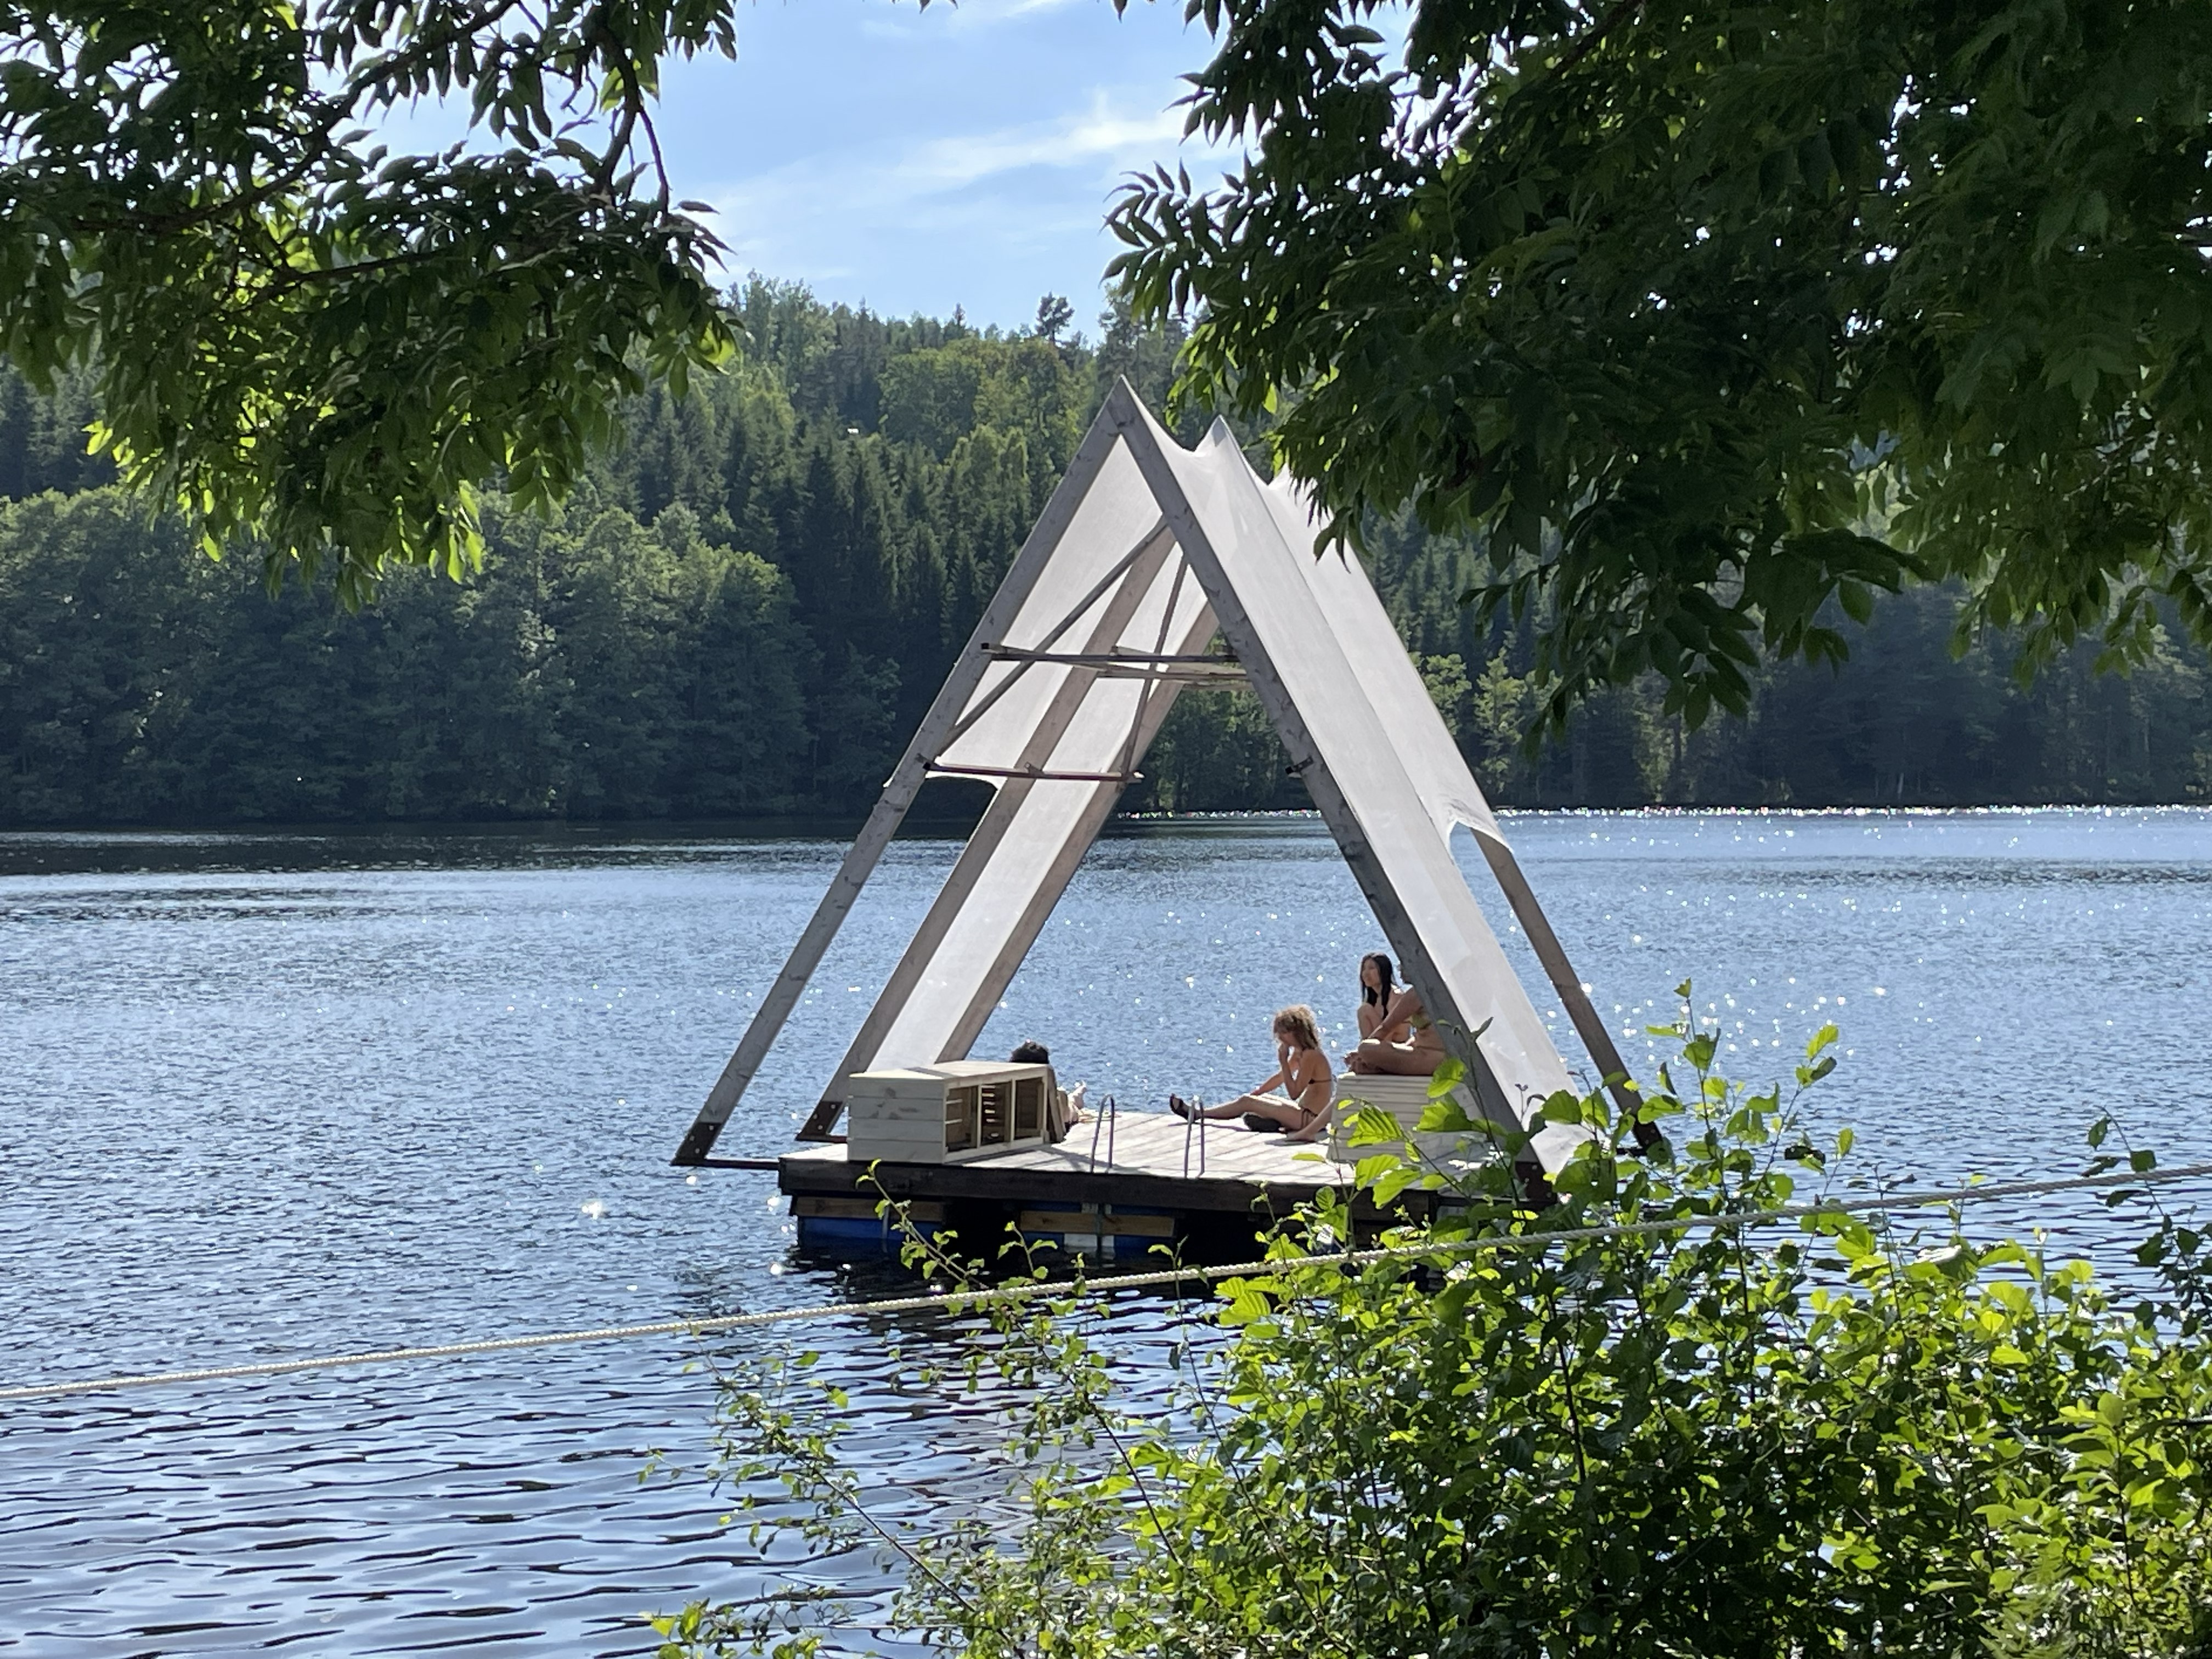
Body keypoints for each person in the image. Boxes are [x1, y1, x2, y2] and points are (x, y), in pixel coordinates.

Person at [1170, 1006, 1335, 1142]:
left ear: (1296, 1032)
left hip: (1309, 1120)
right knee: (1251, 1100)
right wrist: (1258, 1094)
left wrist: (1283, 1061)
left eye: (1283, 1033)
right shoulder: (1301, 1052)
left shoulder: (1311, 1055)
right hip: (1303, 1114)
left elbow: (1294, 1093)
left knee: (1247, 1102)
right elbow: (1279, 1078)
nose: (1280, 1038)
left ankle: (1198, 1114)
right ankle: (1271, 1121)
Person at [1343, 981, 1445, 1076]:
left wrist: (1361, 1054)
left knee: (1365, 1048)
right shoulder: (1439, 991)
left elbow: (1385, 1028)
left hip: (1429, 1060)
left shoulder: (1416, 994)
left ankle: (1377, 1069)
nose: (1400, 968)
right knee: (1367, 1053)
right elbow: (1424, 1036)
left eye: (1404, 966)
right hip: (1435, 1057)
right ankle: (1375, 1067)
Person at [1010, 1040, 1085, 1137]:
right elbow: (1065, 1119)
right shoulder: (1045, 1094)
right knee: (1065, 1099)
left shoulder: (1006, 1090)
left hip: (1014, 1125)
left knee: (1064, 1097)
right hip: (1053, 1124)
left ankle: (1076, 1098)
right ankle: (1077, 1097)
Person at [1356, 952, 1409, 1043]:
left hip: (1396, 1047)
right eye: (1364, 969)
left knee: (1365, 1010)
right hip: (1380, 1046)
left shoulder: (1395, 996)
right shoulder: (1375, 999)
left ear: (1384, 971)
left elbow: (1391, 1032)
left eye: (1372, 968)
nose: (1366, 974)